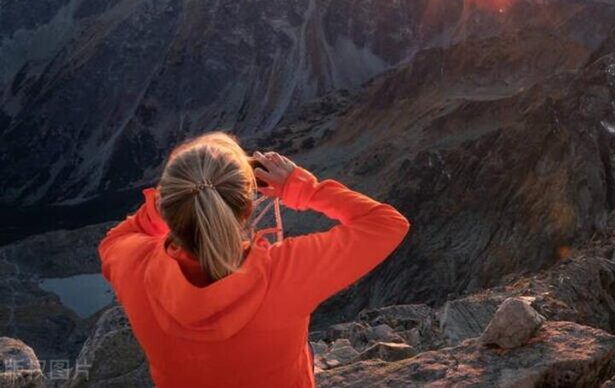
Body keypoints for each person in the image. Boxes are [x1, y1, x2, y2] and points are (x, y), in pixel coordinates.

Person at [98, 131, 411, 387]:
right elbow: (386, 224)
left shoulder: (134, 265)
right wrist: (301, 188)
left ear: (169, 203)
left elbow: (117, 238)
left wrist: (166, 205)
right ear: (247, 207)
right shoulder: (287, 272)